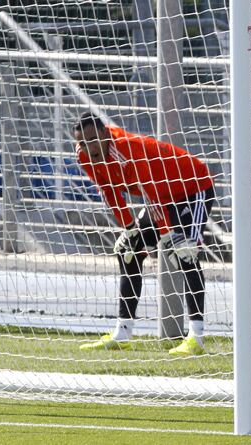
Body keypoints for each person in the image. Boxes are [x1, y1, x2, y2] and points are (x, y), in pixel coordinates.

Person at [73, 111, 215, 356]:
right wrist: (130, 229)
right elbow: (109, 192)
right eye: (83, 142)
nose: (90, 147)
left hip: (192, 188)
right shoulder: (84, 156)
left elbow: (152, 195)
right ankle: (123, 333)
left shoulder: (128, 151)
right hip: (160, 198)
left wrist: (168, 235)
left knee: (185, 252)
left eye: (94, 139)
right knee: (128, 250)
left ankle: (196, 337)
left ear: (106, 134)